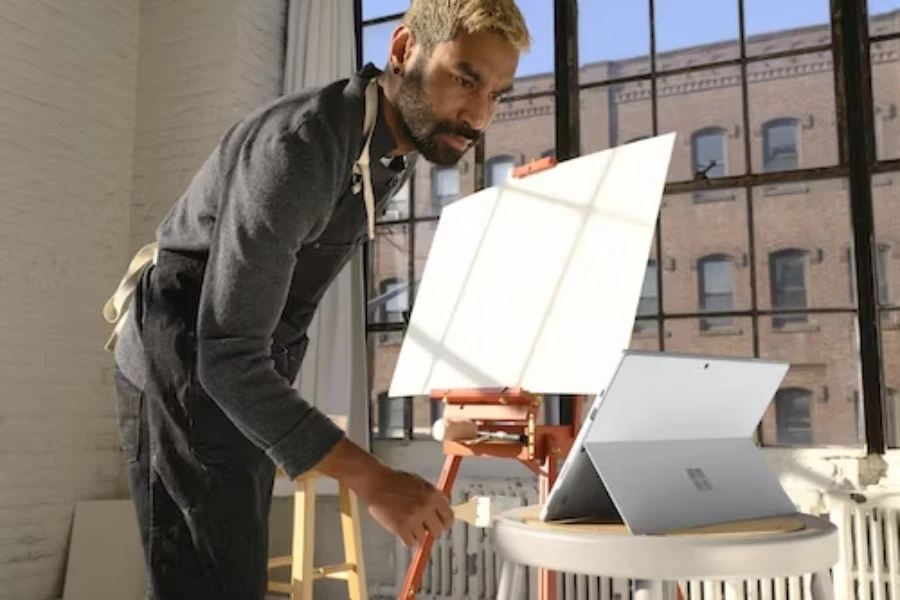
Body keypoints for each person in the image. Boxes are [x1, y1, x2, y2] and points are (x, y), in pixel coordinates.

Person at [105, 0, 530, 598]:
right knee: (209, 584)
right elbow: (225, 353)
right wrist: (374, 479)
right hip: (183, 355)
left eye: (498, 94)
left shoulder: (399, 147)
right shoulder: (302, 147)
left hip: (241, 371)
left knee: (224, 577)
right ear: (405, 49)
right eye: (466, 79)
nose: (480, 115)